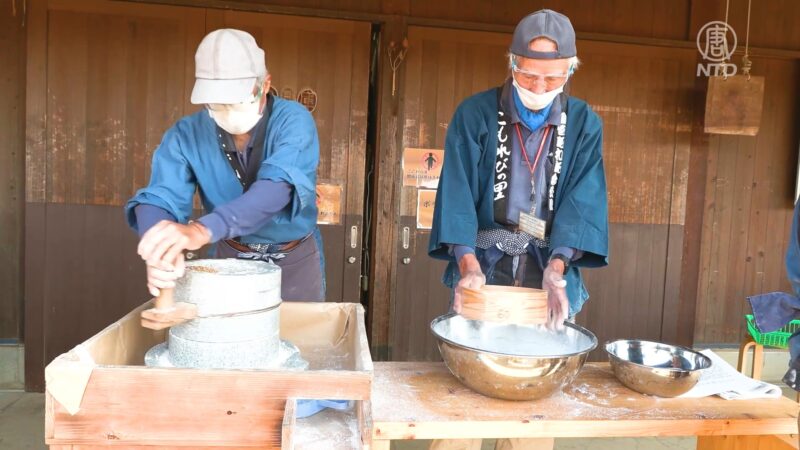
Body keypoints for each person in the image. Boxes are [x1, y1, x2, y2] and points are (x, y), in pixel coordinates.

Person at [428, 10, 609, 450]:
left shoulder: (583, 123)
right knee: (465, 405)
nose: (541, 88)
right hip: (485, 262)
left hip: (545, 264)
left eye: (553, 78)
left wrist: (559, 267)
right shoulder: (476, 114)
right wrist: (467, 264)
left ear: (571, 69)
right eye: (530, 77)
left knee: (533, 406)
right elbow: (456, 191)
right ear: (512, 65)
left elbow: (582, 198)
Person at [125, 28, 324, 302]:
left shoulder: (293, 121)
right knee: (226, 339)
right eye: (217, 103)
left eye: (238, 99)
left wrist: (200, 230)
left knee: (299, 339)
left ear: (265, 84)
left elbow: (277, 188)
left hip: (294, 258)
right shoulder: (187, 134)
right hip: (230, 256)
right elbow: (161, 196)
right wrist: (159, 242)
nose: (228, 110)